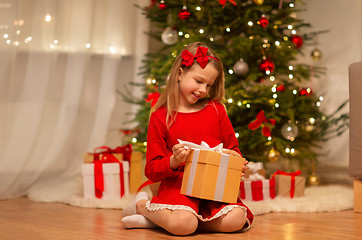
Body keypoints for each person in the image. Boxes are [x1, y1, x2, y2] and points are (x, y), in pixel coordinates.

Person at [121, 42, 253, 235]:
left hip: (212, 189)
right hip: (179, 189)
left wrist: (235, 162)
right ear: (180, 74)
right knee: (184, 224)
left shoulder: (217, 111)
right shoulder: (160, 116)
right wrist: (174, 161)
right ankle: (142, 206)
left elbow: (234, 150)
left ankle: (166, 221)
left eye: (209, 85)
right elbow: (151, 170)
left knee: (237, 219)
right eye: (199, 81)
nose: (203, 90)